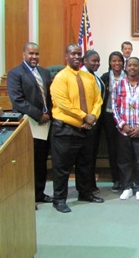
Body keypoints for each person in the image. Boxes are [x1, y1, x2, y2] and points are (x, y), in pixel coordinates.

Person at [50, 44, 104, 213]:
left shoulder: (88, 78)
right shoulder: (60, 77)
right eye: (73, 54)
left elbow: (98, 99)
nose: (76, 57)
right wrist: (83, 116)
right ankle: (59, 199)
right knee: (62, 167)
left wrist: (92, 117)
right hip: (65, 130)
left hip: (86, 129)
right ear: (66, 56)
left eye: (79, 54)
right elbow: (63, 104)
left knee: (85, 164)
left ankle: (85, 193)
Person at [7, 42, 53, 205]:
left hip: (45, 124)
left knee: (41, 161)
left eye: (37, 54)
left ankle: (39, 193)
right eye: (31, 53)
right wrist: (39, 115)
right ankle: (26, 198)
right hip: (28, 123)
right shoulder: (15, 73)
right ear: (24, 54)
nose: (34, 57)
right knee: (27, 163)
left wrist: (48, 116)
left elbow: (50, 96)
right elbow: (18, 101)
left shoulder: (45, 73)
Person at [113, 57, 139, 201]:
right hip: (123, 130)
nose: (132, 68)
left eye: (135, 65)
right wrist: (122, 124)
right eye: (130, 65)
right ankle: (127, 187)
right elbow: (115, 107)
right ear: (126, 67)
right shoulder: (119, 85)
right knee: (124, 161)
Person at [100, 51, 126, 193]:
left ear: (123, 62)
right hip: (109, 117)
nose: (117, 63)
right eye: (114, 61)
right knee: (112, 149)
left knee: (124, 148)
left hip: (125, 117)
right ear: (110, 63)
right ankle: (116, 179)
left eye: (119, 61)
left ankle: (125, 178)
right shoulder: (105, 77)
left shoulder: (128, 77)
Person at [81, 50, 105, 195]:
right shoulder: (81, 76)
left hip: (95, 122)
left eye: (98, 61)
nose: (96, 63)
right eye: (93, 61)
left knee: (91, 155)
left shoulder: (94, 76)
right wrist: (86, 118)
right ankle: (86, 188)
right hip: (85, 123)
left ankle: (90, 184)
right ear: (85, 61)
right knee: (85, 157)